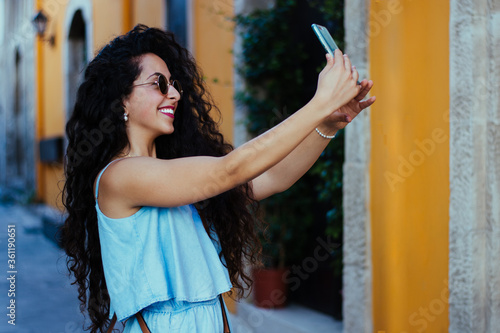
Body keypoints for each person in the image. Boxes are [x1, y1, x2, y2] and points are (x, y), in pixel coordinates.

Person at [61, 24, 375, 333]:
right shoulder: (119, 176)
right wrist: (320, 103)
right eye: (159, 84)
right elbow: (230, 170)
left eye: (174, 85)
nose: (174, 94)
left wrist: (328, 125)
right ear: (121, 100)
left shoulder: (175, 178)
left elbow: (273, 178)